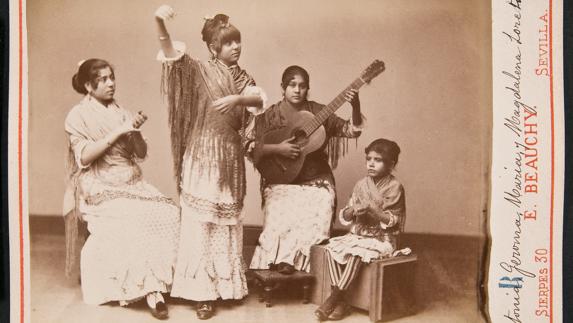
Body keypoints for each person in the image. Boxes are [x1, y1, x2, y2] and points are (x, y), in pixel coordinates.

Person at [154, 5, 267, 320]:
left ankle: (225, 289)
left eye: (237, 41)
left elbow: (259, 99)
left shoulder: (244, 78)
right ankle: (201, 294)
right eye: (229, 43)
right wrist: (159, 21)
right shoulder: (198, 69)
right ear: (212, 47)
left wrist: (237, 99)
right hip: (203, 155)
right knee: (201, 224)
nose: (236, 47)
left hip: (229, 158)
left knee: (224, 224)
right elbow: (169, 53)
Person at [63, 58, 180, 320]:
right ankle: (150, 290)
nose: (110, 83)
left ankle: (166, 282)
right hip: (100, 183)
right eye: (102, 79)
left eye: (111, 77)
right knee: (133, 217)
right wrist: (118, 132)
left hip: (131, 181)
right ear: (88, 86)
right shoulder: (78, 116)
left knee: (170, 214)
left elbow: (140, 153)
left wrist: (134, 131)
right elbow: (84, 158)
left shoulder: (122, 112)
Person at [249, 65, 364, 274]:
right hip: (282, 178)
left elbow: (351, 131)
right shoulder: (270, 115)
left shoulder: (320, 112)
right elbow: (250, 148)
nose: (297, 90)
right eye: (292, 85)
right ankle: (278, 262)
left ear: (307, 89)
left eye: (302, 86)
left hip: (316, 179)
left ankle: (305, 268)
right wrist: (278, 148)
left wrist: (355, 106)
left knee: (320, 206)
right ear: (282, 87)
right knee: (279, 213)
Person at [314, 138, 406, 321]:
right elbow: (347, 215)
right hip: (358, 234)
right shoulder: (360, 184)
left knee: (356, 254)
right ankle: (341, 302)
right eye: (368, 158)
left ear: (391, 164)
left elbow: (394, 220)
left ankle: (334, 299)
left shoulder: (395, 187)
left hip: (382, 239)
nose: (371, 163)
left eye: (378, 160)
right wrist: (352, 211)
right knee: (330, 250)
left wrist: (374, 210)